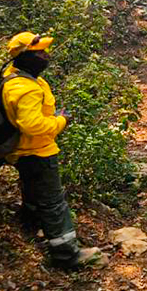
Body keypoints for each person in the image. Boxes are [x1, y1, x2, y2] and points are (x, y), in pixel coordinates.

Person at [2, 32, 103, 269]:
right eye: (39, 53)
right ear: (25, 57)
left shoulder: (13, 76)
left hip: (22, 151)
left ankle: (30, 222)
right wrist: (61, 122)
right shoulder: (26, 89)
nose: (45, 56)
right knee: (54, 202)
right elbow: (32, 125)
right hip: (38, 151)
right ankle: (66, 254)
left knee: (32, 189)